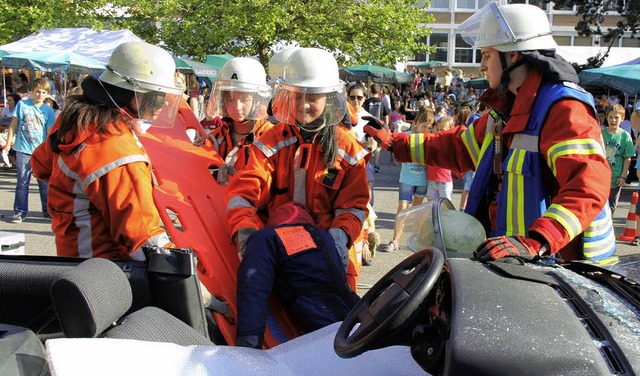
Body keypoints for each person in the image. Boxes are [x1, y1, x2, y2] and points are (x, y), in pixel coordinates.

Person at [364, 2, 615, 262]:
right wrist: (395, 142)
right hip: (514, 260)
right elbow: (458, 147)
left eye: (486, 55)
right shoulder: (507, 108)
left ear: (513, 55)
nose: (482, 66)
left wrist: (538, 240)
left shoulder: (563, 109)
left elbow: (587, 187)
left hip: (559, 266)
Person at [225, 47, 370, 291]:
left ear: (328, 97)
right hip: (280, 257)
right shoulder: (270, 144)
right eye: (297, 96)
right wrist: (248, 239)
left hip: (330, 259)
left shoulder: (348, 150)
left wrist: (336, 242)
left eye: (312, 97)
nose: (303, 105)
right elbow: (244, 196)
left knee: (336, 325)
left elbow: (353, 207)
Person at [31, 41, 183, 260]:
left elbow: (41, 165)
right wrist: (186, 273)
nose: (160, 106)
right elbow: (143, 239)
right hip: (103, 269)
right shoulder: (116, 150)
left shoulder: (77, 119)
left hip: (72, 258)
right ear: (135, 95)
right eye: (157, 97)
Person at [235, 202, 360, 348]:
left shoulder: (266, 237)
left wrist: (249, 344)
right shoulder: (322, 236)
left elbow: (254, 287)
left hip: (318, 319)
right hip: (354, 311)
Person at [203, 57, 272, 185]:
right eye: (231, 99)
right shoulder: (214, 138)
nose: (237, 107)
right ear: (223, 100)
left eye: (244, 99)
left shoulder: (272, 136)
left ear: (257, 100)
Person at [3, 78, 55, 223]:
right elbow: (13, 125)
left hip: (40, 151)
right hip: (23, 149)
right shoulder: (22, 105)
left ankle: (47, 210)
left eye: (43, 92)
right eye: (37, 91)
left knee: (44, 183)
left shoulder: (48, 111)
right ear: (32, 91)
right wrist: (8, 144)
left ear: (47, 94)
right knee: (22, 182)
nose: (39, 95)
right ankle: (20, 212)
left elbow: (50, 133)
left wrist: (50, 152)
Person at [382, 109, 432, 253]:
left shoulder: (430, 139)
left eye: (429, 127)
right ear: (416, 124)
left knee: (416, 212)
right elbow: (394, 147)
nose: (426, 129)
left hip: (422, 180)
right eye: (424, 126)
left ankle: (414, 241)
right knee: (403, 209)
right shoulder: (408, 136)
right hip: (407, 179)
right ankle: (395, 240)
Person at [602, 104, 634, 215]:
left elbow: (627, 158)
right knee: (599, 204)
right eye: (610, 117)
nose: (613, 120)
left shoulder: (625, 136)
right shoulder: (601, 134)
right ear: (606, 117)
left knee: (612, 206)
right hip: (601, 177)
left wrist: (623, 176)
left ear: (622, 118)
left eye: (616, 117)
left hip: (616, 177)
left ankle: (609, 226)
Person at [363, 83, 390, 173]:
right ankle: (377, 164)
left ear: (370, 91)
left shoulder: (366, 102)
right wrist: (386, 125)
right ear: (379, 92)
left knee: (369, 145)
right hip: (379, 126)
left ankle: (368, 163)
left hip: (368, 125)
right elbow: (386, 115)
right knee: (378, 147)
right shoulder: (381, 102)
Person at [426, 116, 454, 202]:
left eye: (442, 129)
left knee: (445, 207)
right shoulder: (433, 141)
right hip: (431, 180)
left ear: (450, 129)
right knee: (431, 207)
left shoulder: (451, 144)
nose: (439, 132)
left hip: (444, 181)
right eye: (437, 129)